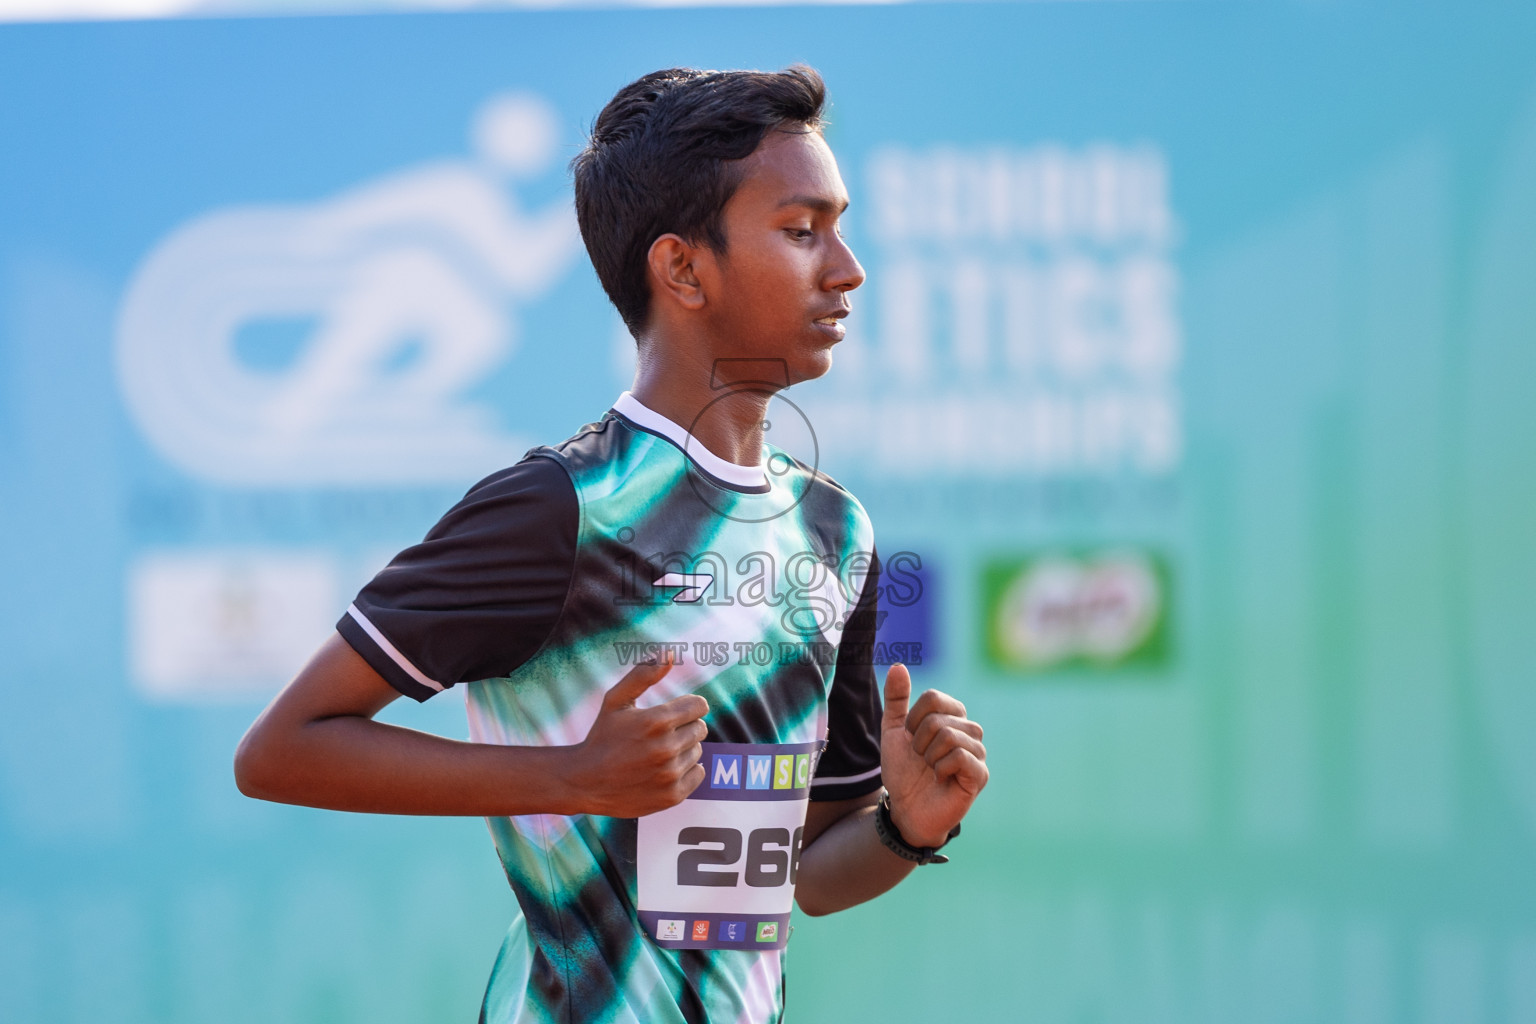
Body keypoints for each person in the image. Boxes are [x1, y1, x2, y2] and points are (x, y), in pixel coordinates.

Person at [234, 65, 989, 1024]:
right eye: (803, 231)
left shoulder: (838, 533)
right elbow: (280, 750)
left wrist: (905, 829)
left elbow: (810, 875)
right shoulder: (562, 508)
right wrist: (570, 777)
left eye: (840, 227)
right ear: (683, 270)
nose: (847, 267)